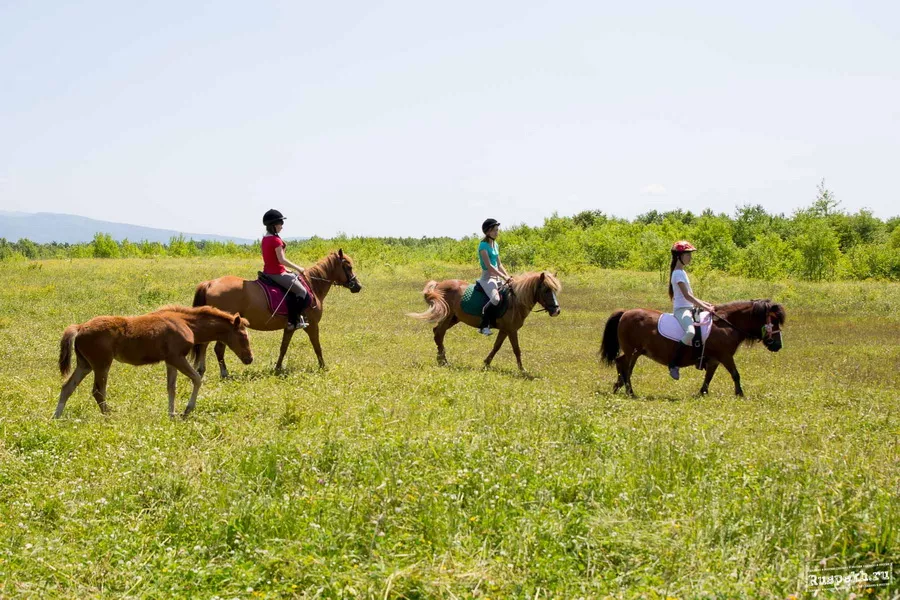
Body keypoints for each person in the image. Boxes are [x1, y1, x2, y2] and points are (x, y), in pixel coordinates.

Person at [668, 240, 716, 380]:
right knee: (690, 332)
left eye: (690, 254)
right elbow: (687, 296)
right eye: (687, 254)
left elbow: (692, 296)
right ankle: (673, 363)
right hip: (681, 310)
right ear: (679, 256)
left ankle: (701, 359)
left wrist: (707, 304)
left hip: (690, 308)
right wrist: (705, 307)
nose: (690, 257)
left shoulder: (682, 272)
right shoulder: (677, 274)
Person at [261, 209, 310, 330]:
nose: (282, 226)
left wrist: (285, 270)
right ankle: (293, 321)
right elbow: (281, 260)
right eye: (280, 223)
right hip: (276, 274)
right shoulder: (276, 240)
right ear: (274, 225)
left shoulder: (264, 239)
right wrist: (299, 268)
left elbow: (269, 259)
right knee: (302, 292)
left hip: (267, 272)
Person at [477, 218, 512, 336]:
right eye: (494, 230)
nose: (497, 232)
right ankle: (483, 325)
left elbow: (499, 264)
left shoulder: (495, 244)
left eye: (497, 230)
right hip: (487, 278)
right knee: (496, 299)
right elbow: (489, 266)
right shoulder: (483, 246)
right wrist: (504, 276)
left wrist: (507, 276)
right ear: (488, 232)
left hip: (497, 277)